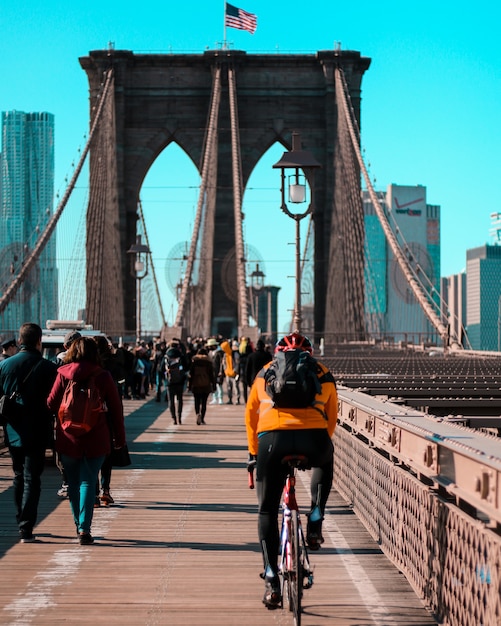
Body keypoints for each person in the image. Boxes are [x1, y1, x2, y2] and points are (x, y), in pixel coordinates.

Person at [245, 332, 338, 609]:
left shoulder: (264, 373)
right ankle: (316, 518)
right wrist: (321, 442)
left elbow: (251, 415)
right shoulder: (322, 372)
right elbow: (331, 417)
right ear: (310, 352)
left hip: (272, 442)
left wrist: (253, 453)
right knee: (325, 459)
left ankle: (272, 578)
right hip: (313, 438)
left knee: (266, 510)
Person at [47, 337, 126, 545]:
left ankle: (79, 524)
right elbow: (116, 410)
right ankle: (84, 529)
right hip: (96, 437)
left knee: (72, 483)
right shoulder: (103, 376)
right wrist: (120, 439)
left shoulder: (62, 374)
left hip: (68, 437)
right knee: (88, 480)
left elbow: (50, 403)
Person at [0, 323, 57, 542]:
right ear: (39, 341)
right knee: (32, 479)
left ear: (20, 340)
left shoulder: (5, 366)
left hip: (13, 431)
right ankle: (26, 527)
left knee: (18, 476)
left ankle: (19, 519)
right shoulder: (48, 368)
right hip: (38, 431)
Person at [188, 347, 216, 425]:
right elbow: (211, 376)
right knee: (204, 402)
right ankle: (202, 418)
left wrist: (189, 386)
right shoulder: (208, 363)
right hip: (206, 385)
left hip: (196, 384)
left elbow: (191, 375)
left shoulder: (194, 362)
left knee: (196, 401)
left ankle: (197, 414)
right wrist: (214, 386)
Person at [164, 340, 188, 424]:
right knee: (179, 399)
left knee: (171, 401)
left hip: (169, 382)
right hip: (180, 382)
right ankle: (180, 417)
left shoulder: (166, 356)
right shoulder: (180, 355)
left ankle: (174, 418)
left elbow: (160, 369)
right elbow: (187, 366)